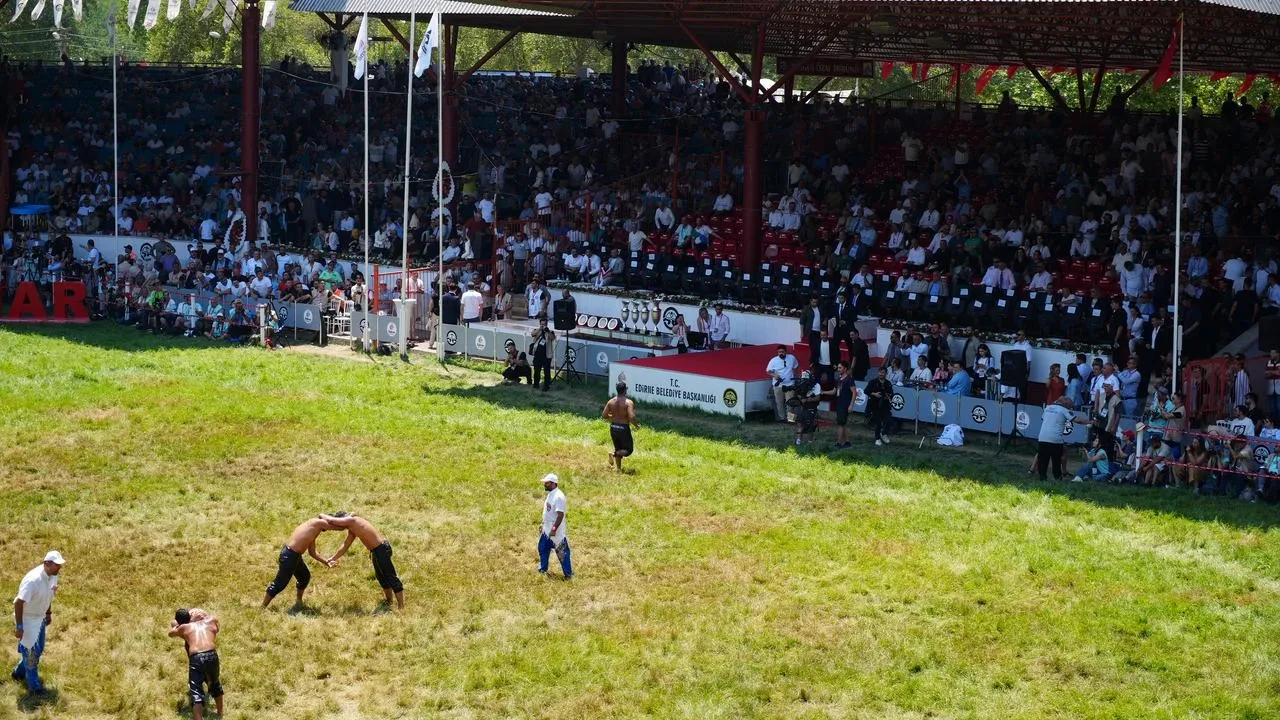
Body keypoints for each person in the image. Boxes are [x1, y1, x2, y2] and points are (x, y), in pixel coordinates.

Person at [319, 512, 405, 609]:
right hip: (377, 551)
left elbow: (331, 520)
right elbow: (346, 545)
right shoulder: (352, 527)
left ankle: (401, 607)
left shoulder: (352, 520)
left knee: (390, 576)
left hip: (381, 549)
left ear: (342, 519)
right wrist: (333, 558)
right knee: (381, 576)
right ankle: (389, 601)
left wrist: (321, 516)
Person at [11, 551, 64, 694]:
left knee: (38, 649)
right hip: (27, 619)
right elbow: (18, 602)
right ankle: (35, 687)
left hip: (40, 617)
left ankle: (18, 673)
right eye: (57, 565)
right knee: (31, 654)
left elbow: (49, 594)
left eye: (60, 565)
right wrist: (20, 626)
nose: (59, 568)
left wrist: (48, 613)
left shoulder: (53, 576)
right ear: (47, 564)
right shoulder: (33, 580)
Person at [262, 517, 337, 609]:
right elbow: (336, 527)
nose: (324, 530)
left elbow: (312, 553)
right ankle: (262, 608)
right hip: (289, 556)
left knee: (304, 577)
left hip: (294, 556)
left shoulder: (312, 529)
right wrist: (348, 523)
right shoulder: (318, 522)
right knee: (280, 584)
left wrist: (326, 562)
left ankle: (298, 602)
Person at [168, 608, 223, 720]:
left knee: (196, 692)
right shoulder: (210, 621)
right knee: (215, 684)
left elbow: (171, 633)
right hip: (212, 655)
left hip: (197, 657)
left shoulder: (184, 627)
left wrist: (179, 625)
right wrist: (202, 617)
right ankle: (220, 714)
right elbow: (216, 620)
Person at [1037, 396, 1089, 481]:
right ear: (1066, 404)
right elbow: (1078, 421)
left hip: (1042, 437)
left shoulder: (1048, 408)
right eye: (1070, 406)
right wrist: (1090, 422)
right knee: (1056, 460)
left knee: (1043, 459)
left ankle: (1042, 477)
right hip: (1055, 439)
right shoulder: (1064, 410)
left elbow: (1043, 419)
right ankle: (1057, 477)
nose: (1071, 408)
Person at [538, 473, 572, 580]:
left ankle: (568, 574)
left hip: (555, 531)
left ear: (553, 483)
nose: (545, 484)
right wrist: (543, 524)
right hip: (546, 528)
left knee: (562, 552)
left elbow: (560, 515)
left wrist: (554, 529)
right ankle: (543, 569)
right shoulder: (551, 494)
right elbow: (548, 512)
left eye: (547, 483)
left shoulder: (559, 496)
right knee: (543, 548)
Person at [602, 382, 639, 472]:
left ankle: (618, 469)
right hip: (623, 428)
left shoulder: (611, 401)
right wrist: (636, 425)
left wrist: (613, 417)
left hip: (613, 427)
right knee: (628, 450)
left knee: (618, 448)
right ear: (625, 390)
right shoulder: (628, 402)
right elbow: (632, 417)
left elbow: (604, 415)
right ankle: (613, 454)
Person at [765, 345, 799, 423]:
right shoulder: (773, 360)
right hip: (778, 385)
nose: (781, 353)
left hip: (790, 384)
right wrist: (775, 375)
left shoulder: (792, 358)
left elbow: (795, 367)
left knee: (790, 403)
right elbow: (768, 371)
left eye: (782, 352)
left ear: (786, 352)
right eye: (779, 352)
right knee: (779, 403)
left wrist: (794, 378)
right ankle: (782, 419)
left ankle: (791, 420)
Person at [791, 369, 823, 446]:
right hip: (802, 406)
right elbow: (797, 393)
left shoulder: (816, 385)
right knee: (799, 423)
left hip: (811, 406)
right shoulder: (800, 384)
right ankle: (798, 441)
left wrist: (808, 399)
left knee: (809, 425)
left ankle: (810, 443)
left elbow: (818, 398)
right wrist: (801, 399)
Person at [831, 360, 858, 450]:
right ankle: (847, 442)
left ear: (845, 369)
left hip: (845, 404)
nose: (838, 369)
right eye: (838, 368)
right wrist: (823, 392)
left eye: (840, 368)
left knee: (840, 424)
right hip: (839, 404)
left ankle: (839, 443)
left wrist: (851, 405)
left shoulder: (849, 379)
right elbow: (834, 391)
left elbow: (854, 392)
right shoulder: (839, 379)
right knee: (844, 424)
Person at [865, 365, 894, 446]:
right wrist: (874, 394)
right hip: (875, 405)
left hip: (885, 405)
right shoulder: (873, 382)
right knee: (878, 423)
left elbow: (891, 393)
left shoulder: (888, 383)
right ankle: (877, 439)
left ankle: (884, 434)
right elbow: (866, 391)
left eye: (883, 373)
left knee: (889, 420)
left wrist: (888, 396)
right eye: (880, 372)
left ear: (886, 374)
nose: (881, 374)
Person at [529, 318, 556, 392]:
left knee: (546, 371)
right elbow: (532, 334)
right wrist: (540, 330)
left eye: (544, 324)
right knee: (536, 370)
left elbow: (553, 338)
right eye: (542, 324)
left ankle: (546, 386)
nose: (543, 325)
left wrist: (547, 331)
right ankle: (536, 384)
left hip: (546, 355)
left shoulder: (550, 332)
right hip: (537, 355)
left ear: (547, 325)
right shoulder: (537, 330)